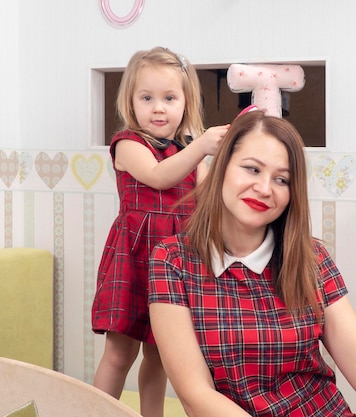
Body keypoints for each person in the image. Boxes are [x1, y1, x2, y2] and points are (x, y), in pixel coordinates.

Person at [147, 111, 356, 417]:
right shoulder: (172, 261)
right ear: (222, 169)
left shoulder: (312, 260)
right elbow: (196, 396)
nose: (265, 188)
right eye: (252, 169)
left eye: (281, 179)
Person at [91, 46, 230, 417]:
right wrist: (202, 146)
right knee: (120, 354)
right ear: (130, 103)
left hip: (174, 265)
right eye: (147, 98)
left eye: (169, 98)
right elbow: (157, 176)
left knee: (161, 355)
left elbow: (208, 199)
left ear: (186, 103)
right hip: (134, 260)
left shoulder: (187, 150)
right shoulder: (128, 145)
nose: (158, 107)